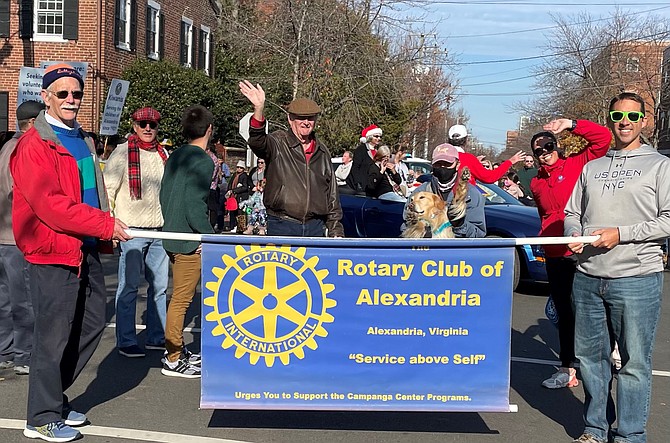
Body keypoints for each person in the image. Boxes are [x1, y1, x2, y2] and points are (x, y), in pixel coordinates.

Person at [10, 63, 130, 442]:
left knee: (92, 323)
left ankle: (53, 399)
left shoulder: (83, 138)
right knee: (52, 336)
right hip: (52, 251)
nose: (71, 100)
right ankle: (41, 417)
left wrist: (104, 227)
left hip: (86, 247)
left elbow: (92, 192)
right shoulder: (35, 144)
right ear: (46, 97)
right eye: (62, 93)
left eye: (76, 94)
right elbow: (50, 205)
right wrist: (105, 226)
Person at [565, 92, 668, 443]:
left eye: (632, 115)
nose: (624, 121)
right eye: (617, 114)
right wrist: (573, 235)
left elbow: (668, 220)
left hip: (636, 278)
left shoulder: (660, 166)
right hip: (588, 277)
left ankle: (629, 434)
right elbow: (571, 213)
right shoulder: (591, 168)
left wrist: (619, 235)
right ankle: (595, 427)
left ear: (645, 120)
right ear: (610, 118)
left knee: (633, 364)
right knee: (591, 360)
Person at [530, 118, 611, 391]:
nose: (545, 153)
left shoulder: (578, 164)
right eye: (539, 150)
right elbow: (544, 215)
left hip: (582, 251)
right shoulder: (536, 184)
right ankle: (568, 369)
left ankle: (608, 354)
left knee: (593, 309)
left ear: (558, 146)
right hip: (554, 254)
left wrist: (571, 124)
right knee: (565, 313)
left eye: (548, 146)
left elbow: (602, 139)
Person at [239, 80, 344, 237]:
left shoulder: (322, 152)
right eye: (301, 118)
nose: (306, 122)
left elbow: (332, 195)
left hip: (315, 227)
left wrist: (336, 229)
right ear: (290, 119)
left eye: (310, 118)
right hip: (282, 224)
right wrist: (259, 109)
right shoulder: (278, 142)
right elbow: (258, 142)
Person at [103, 106, 169, 358]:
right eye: (143, 124)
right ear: (134, 126)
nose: (148, 129)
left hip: (160, 231)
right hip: (130, 230)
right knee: (129, 287)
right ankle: (126, 339)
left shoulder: (164, 154)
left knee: (160, 288)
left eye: (152, 125)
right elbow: (108, 190)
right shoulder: (121, 153)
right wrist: (111, 224)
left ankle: (156, 336)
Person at [159, 105, 215, 379]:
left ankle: (176, 350)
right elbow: (195, 204)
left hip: (171, 232)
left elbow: (165, 194)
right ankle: (173, 357)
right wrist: (207, 235)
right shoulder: (204, 161)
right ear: (209, 130)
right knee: (181, 300)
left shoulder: (174, 156)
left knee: (178, 297)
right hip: (189, 239)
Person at [0, 101, 43, 376]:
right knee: (23, 298)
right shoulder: (24, 149)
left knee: (5, 298)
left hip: (3, 235)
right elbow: (21, 193)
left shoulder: (5, 148)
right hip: (17, 236)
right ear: (31, 123)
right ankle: (23, 354)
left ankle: (5, 351)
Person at [405, 143, 486, 238]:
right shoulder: (419, 193)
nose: (442, 167)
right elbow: (404, 227)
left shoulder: (471, 194)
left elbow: (479, 234)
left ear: (457, 165)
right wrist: (419, 230)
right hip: (426, 250)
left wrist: (460, 225)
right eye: (438, 164)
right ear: (432, 165)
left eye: (447, 164)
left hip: (457, 251)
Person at [347, 124, 383, 192]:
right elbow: (356, 167)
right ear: (370, 137)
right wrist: (358, 183)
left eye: (380, 137)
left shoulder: (377, 151)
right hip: (362, 185)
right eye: (376, 136)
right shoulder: (361, 149)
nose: (379, 139)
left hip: (373, 185)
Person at [224, 160, 251, 233]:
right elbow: (230, 183)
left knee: (240, 212)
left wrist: (235, 190)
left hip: (240, 196)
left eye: (241, 167)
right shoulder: (234, 175)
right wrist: (229, 190)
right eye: (238, 167)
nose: (239, 169)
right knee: (232, 211)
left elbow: (245, 187)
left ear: (243, 169)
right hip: (233, 196)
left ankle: (240, 227)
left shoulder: (244, 176)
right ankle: (233, 226)